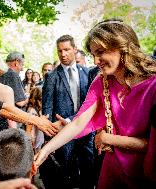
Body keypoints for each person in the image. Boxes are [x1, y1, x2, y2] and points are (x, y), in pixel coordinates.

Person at [35, 19, 156, 188]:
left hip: (144, 174)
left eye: (100, 52)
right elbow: (78, 122)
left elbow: (151, 145)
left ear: (122, 46)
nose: (96, 60)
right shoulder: (102, 81)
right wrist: (45, 150)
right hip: (113, 171)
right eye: (93, 54)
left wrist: (109, 138)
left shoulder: (153, 85)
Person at [41, 34, 95, 189]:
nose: (63, 54)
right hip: (63, 134)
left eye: (66, 50)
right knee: (66, 175)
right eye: (60, 51)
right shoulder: (51, 76)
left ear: (74, 49)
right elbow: (47, 108)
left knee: (88, 173)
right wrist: (49, 136)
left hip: (86, 132)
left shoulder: (87, 73)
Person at [25, 87, 44, 153]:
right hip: (35, 142)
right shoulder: (32, 111)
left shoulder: (39, 110)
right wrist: (31, 140)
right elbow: (29, 129)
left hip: (39, 140)